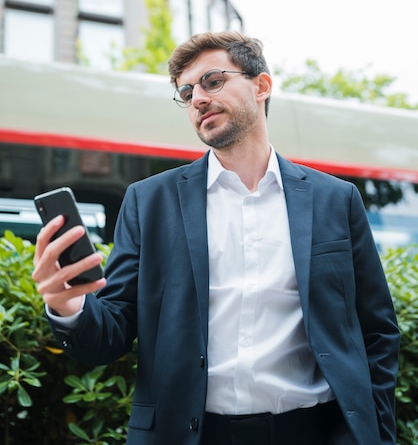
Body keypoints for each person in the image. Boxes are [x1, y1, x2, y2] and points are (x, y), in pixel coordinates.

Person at [33, 31, 399, 445]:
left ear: (261, 86)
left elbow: (377, 331)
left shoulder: (335, 199)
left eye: (212, 81)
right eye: (186, 93)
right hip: (191, 434)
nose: (198, 99)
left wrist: (376, 434)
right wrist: (67, 304)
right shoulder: (149, 202)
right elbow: (112, 332)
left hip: (313, 430)